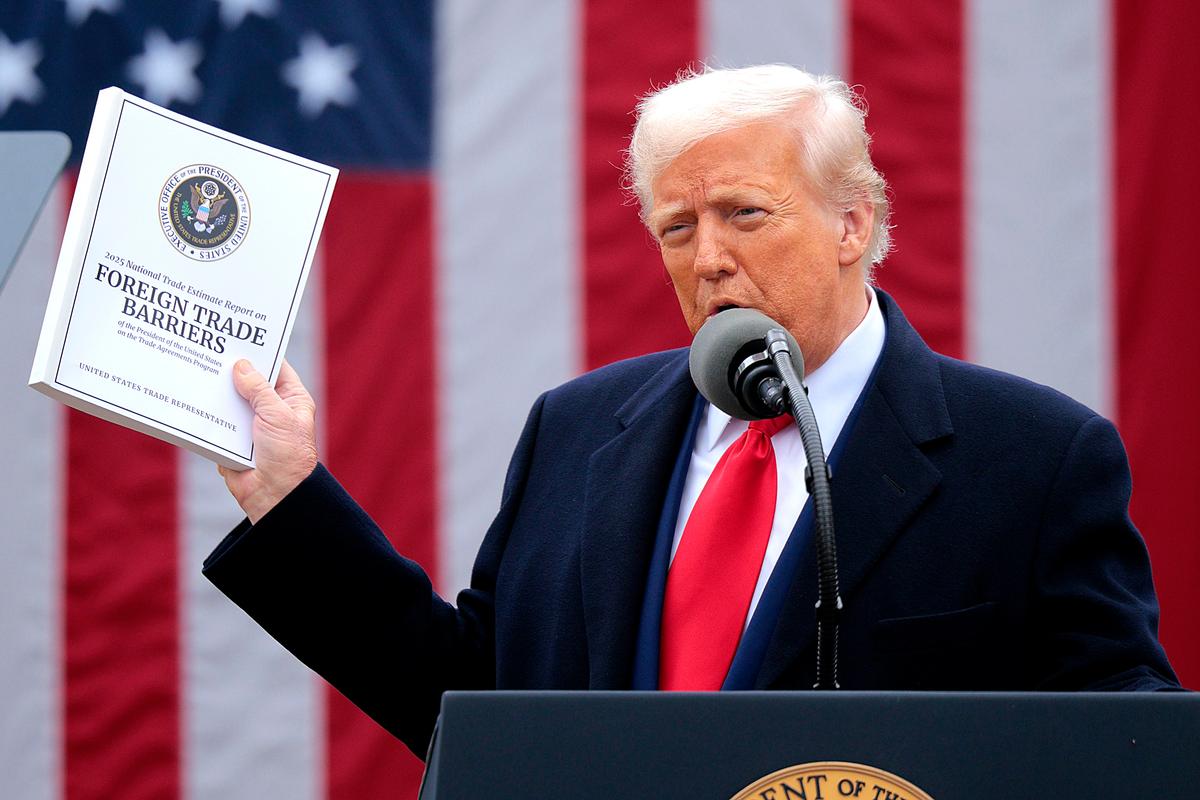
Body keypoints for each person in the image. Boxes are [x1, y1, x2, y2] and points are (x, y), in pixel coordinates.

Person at [205, 65, 1179, 757]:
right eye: (678, 226)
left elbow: (1122, 746)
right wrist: (292, 501)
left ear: (855, 221)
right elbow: (472, 708)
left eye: (743, 214)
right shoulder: (576, 432)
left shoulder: (1034, 459)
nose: (706, 255)